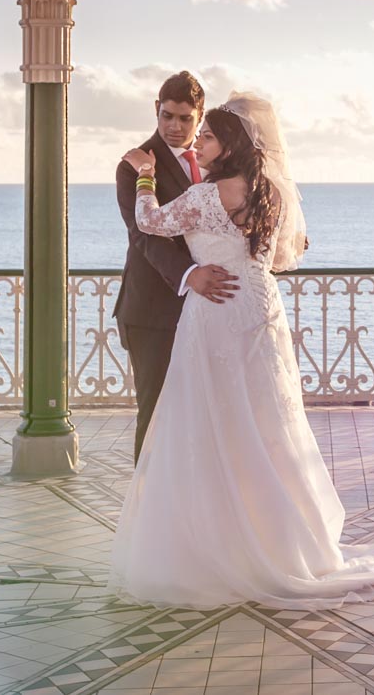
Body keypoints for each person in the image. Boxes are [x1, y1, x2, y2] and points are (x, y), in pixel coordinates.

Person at [109, 94, 374, 608]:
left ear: (228, 144)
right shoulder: (269, 191)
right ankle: (281, 539)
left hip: (217, 312)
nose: (197, 140)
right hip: (260, 310)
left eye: (206, 134)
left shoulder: (207, 195)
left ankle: (221, 545)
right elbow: (274, 256)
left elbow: (148, 221)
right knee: (265, 423)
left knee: (209, 423)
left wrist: (143, 174)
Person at [114, 71, 242, 460]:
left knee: (207, 415)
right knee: (156, 417)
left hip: (212, 311)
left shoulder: (218, 166)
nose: (174, 126)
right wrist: (190, 275)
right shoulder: (134, 165)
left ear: (200, 116)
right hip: (153, 311)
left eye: (185, 119)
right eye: (167, 116)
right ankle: (147, 516)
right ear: (157, 110)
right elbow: (145, 236)